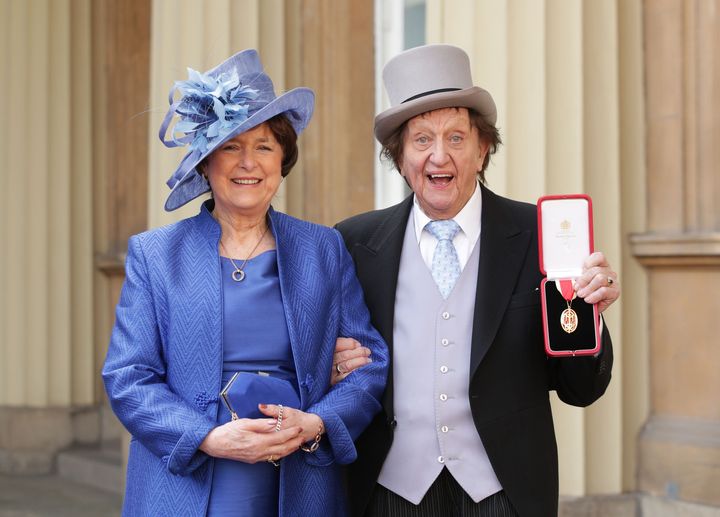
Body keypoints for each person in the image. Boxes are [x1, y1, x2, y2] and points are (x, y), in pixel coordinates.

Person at [334, 44, 620, 517]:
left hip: (503, 494)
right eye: (421, 140)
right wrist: (333, 367)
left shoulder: (536, 234)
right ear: (400, 157)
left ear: (483, 148)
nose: (438, 156)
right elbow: (333, 366)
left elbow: (580, 389)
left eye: (456, 138)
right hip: (389, 494)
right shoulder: (354, 242)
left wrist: (587, 315)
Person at [102, 49, 388, 517]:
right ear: (205, 163)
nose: (247, 163)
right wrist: (208, 438)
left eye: (264, 146)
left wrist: (318, 421)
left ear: (283, 160)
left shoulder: (323, 249)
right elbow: (128, 377)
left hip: (301, 481)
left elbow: (369, 365)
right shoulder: (154, 255)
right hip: (185, 483)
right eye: (230, 146)